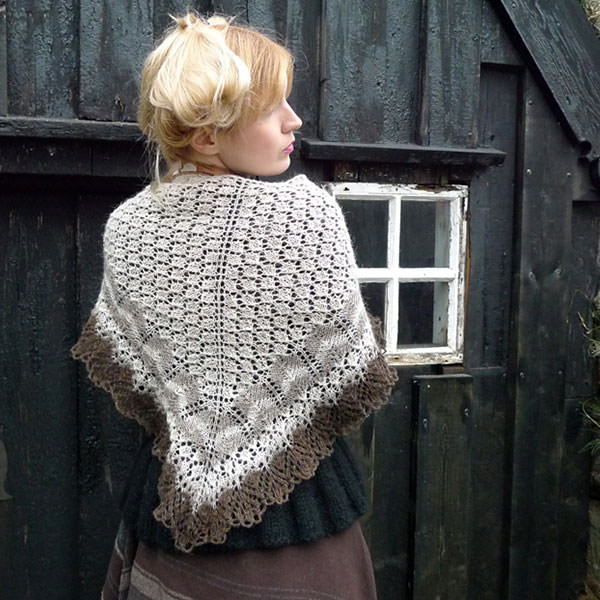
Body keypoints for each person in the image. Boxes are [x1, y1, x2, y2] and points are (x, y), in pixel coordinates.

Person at [72, 12, 397, 600]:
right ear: (205, 135)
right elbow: (351, 373)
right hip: (301, 532)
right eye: (272, 108)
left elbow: (147, 391)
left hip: (164, 524)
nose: (294, 120)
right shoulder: (307, 216)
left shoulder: (127, 227)